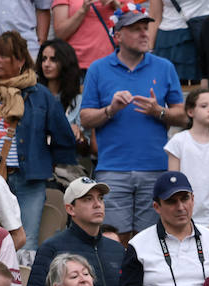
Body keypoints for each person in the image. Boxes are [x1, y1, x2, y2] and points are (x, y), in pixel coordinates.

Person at [0, 30, 79, 250]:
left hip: (29, 180)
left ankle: (20, 284)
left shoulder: (40, 94)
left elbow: (64, 137)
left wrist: (44, 164)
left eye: (4, 55)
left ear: (21, 60)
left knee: (26, 242)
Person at [78, 8, 188, 241]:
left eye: (145, 29)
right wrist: (111, 110)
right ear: (117, 36)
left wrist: (158, 111)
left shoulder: (164, 67)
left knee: (150, 240)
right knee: (114, 238)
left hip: (155, 168)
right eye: (136, 29)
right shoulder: (98, 69)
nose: (144, 34)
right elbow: (85, 118)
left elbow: (183, 116)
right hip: (113, 169)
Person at [25, 178, 124, 286]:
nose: (97, 204)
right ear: (70, 209)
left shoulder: (117, 249)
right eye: (88, 199)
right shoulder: (52, 248)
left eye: (100, 198)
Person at [164, 87, 209, 229]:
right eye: (204, 106)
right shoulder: (178, 141)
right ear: (190, 111)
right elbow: (173, 182)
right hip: (181, 218)